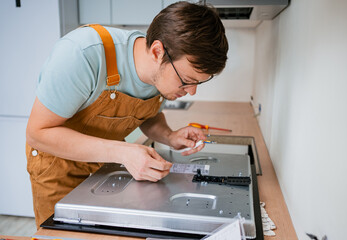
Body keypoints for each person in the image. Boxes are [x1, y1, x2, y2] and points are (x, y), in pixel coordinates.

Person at [26, 1, 228, 228]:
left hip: (106, 168)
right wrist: (123, 153)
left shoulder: (158, 72)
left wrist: (170, 136)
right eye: (187, 81)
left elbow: (147, 116)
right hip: (58, 171)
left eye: (198, 83)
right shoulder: (82, 54)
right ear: (157, 52)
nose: (191, 91)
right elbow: (38, 133)